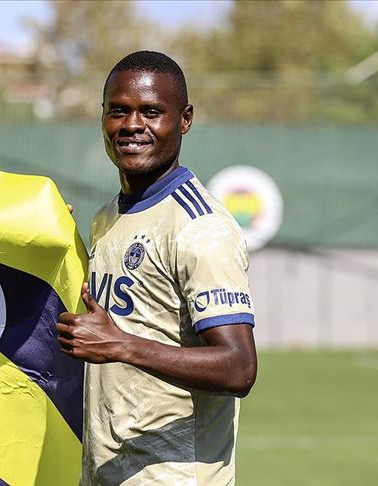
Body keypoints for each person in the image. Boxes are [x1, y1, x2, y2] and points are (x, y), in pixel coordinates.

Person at [56, 51, 258, 485]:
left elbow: (239, 367)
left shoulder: (201, 228)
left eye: (151, 112)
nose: (132, 125)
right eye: (118, 111)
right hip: (109, 472)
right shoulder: (106, 217)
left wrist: (121, 345)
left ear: (185, 120)